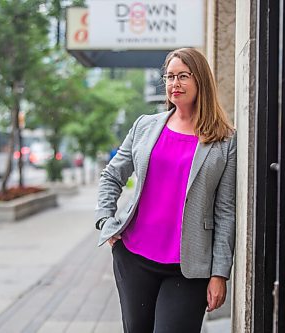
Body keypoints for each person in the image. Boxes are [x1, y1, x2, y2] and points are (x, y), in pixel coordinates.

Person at [95, 48, 237, 333]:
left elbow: (226, 210)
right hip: (134, 257)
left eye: (183, 76)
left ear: (201, 81)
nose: (175, 83)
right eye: (170, 76)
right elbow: (112, 174)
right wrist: (105, 220)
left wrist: (220, 273)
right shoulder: (145, 127)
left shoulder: (224, 141)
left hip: (189, 268)